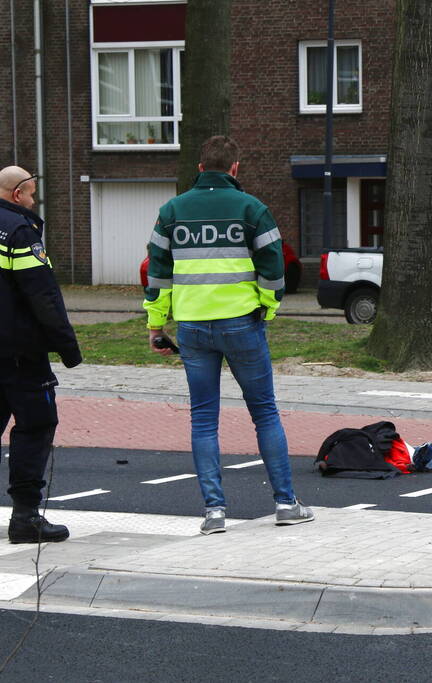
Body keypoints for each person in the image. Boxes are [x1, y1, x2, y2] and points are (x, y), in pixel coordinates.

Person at [144, 136, 313, 535]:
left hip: (192, 327)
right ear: (235, 169)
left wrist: (156, 324)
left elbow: (157, 274)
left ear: (200, 168)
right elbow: (274, 268)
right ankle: (286, 503)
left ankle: (214, 512)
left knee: (204, 419)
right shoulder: (252, 209)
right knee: (265, 413)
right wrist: (267, 309)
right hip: (242, 322)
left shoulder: (172, 211)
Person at [0, 166, 82, 544]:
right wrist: (67, 347)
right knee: (36, 424)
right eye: (32, 195)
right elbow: (43, 295)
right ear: (18, 194)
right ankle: (26, 517)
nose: (34, 201)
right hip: (20, 351)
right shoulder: (20, 232)